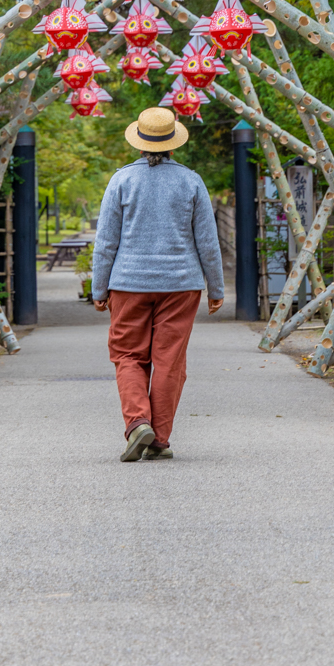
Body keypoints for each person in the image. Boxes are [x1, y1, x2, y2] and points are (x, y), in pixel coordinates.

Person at [91, 105, 225, 461]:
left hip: (128, 284)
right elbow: (207, 242)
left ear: (139, 142)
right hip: (181, 284)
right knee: (169, 360)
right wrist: (216, 288)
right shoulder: (191, 180)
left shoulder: (122, 180)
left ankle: (138, 423)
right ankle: (159, 438)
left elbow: (106, 241)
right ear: (172, 144)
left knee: (128, 355)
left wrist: (99, 288)